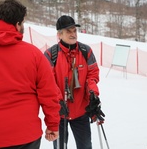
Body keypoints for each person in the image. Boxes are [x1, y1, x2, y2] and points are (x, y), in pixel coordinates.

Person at [0, 0, 61, 149]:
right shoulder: (34, 54)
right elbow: (49, 93)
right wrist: (52, 124)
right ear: (18, 24)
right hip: (24, 135)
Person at [44, 15, 105, 149]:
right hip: (59, 115)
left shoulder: (86, 52)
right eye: (68, 31)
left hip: (81, 113)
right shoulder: (50, 55)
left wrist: (92, 96)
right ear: (59, 34)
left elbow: (92, 76)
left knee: (85, 146)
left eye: (74, 31)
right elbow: (48, 84)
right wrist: (59, 101)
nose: (73, 34)